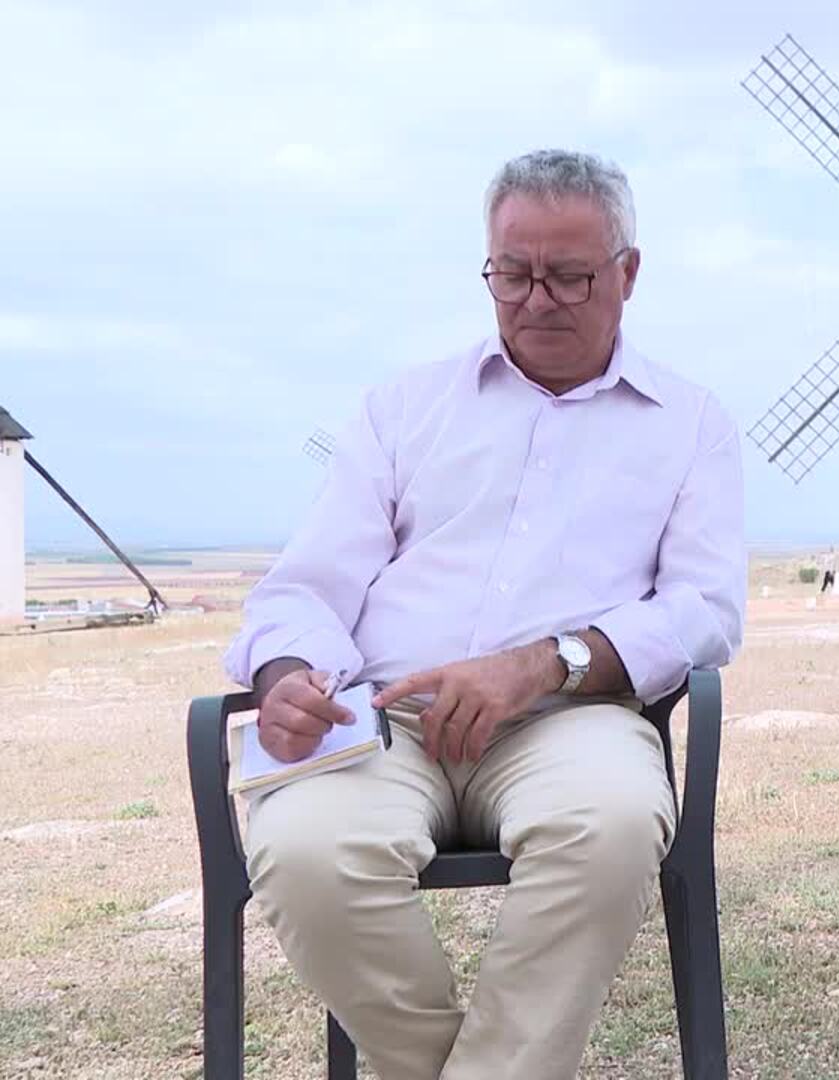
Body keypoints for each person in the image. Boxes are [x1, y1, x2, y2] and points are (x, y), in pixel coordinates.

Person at [221, 148, 746, 1080]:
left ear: (627, 273)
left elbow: (704, 610)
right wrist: (288, 676)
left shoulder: (690, 423)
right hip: (385, 720)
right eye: (512, 273)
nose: (537, 300)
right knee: (303, 850)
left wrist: (545, 662)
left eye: (569, 276)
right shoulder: (402, 410)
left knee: (615, 825)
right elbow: (305, 587)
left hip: (570, 720)